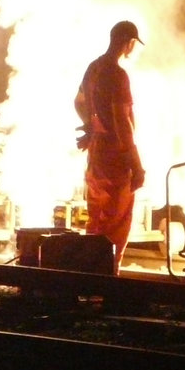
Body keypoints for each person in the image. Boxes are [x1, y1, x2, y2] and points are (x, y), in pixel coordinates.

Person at [74, 20, 147, 273]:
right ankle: (108, 277)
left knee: (96, 217)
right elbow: (122, 121)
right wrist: (136, 164)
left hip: (96, 153)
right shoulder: (117, 74)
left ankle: (89, 276)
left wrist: (91, 126)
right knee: (117, 219)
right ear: (129, 42)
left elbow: (79, 101)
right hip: (115, 155)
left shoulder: (93, 68)